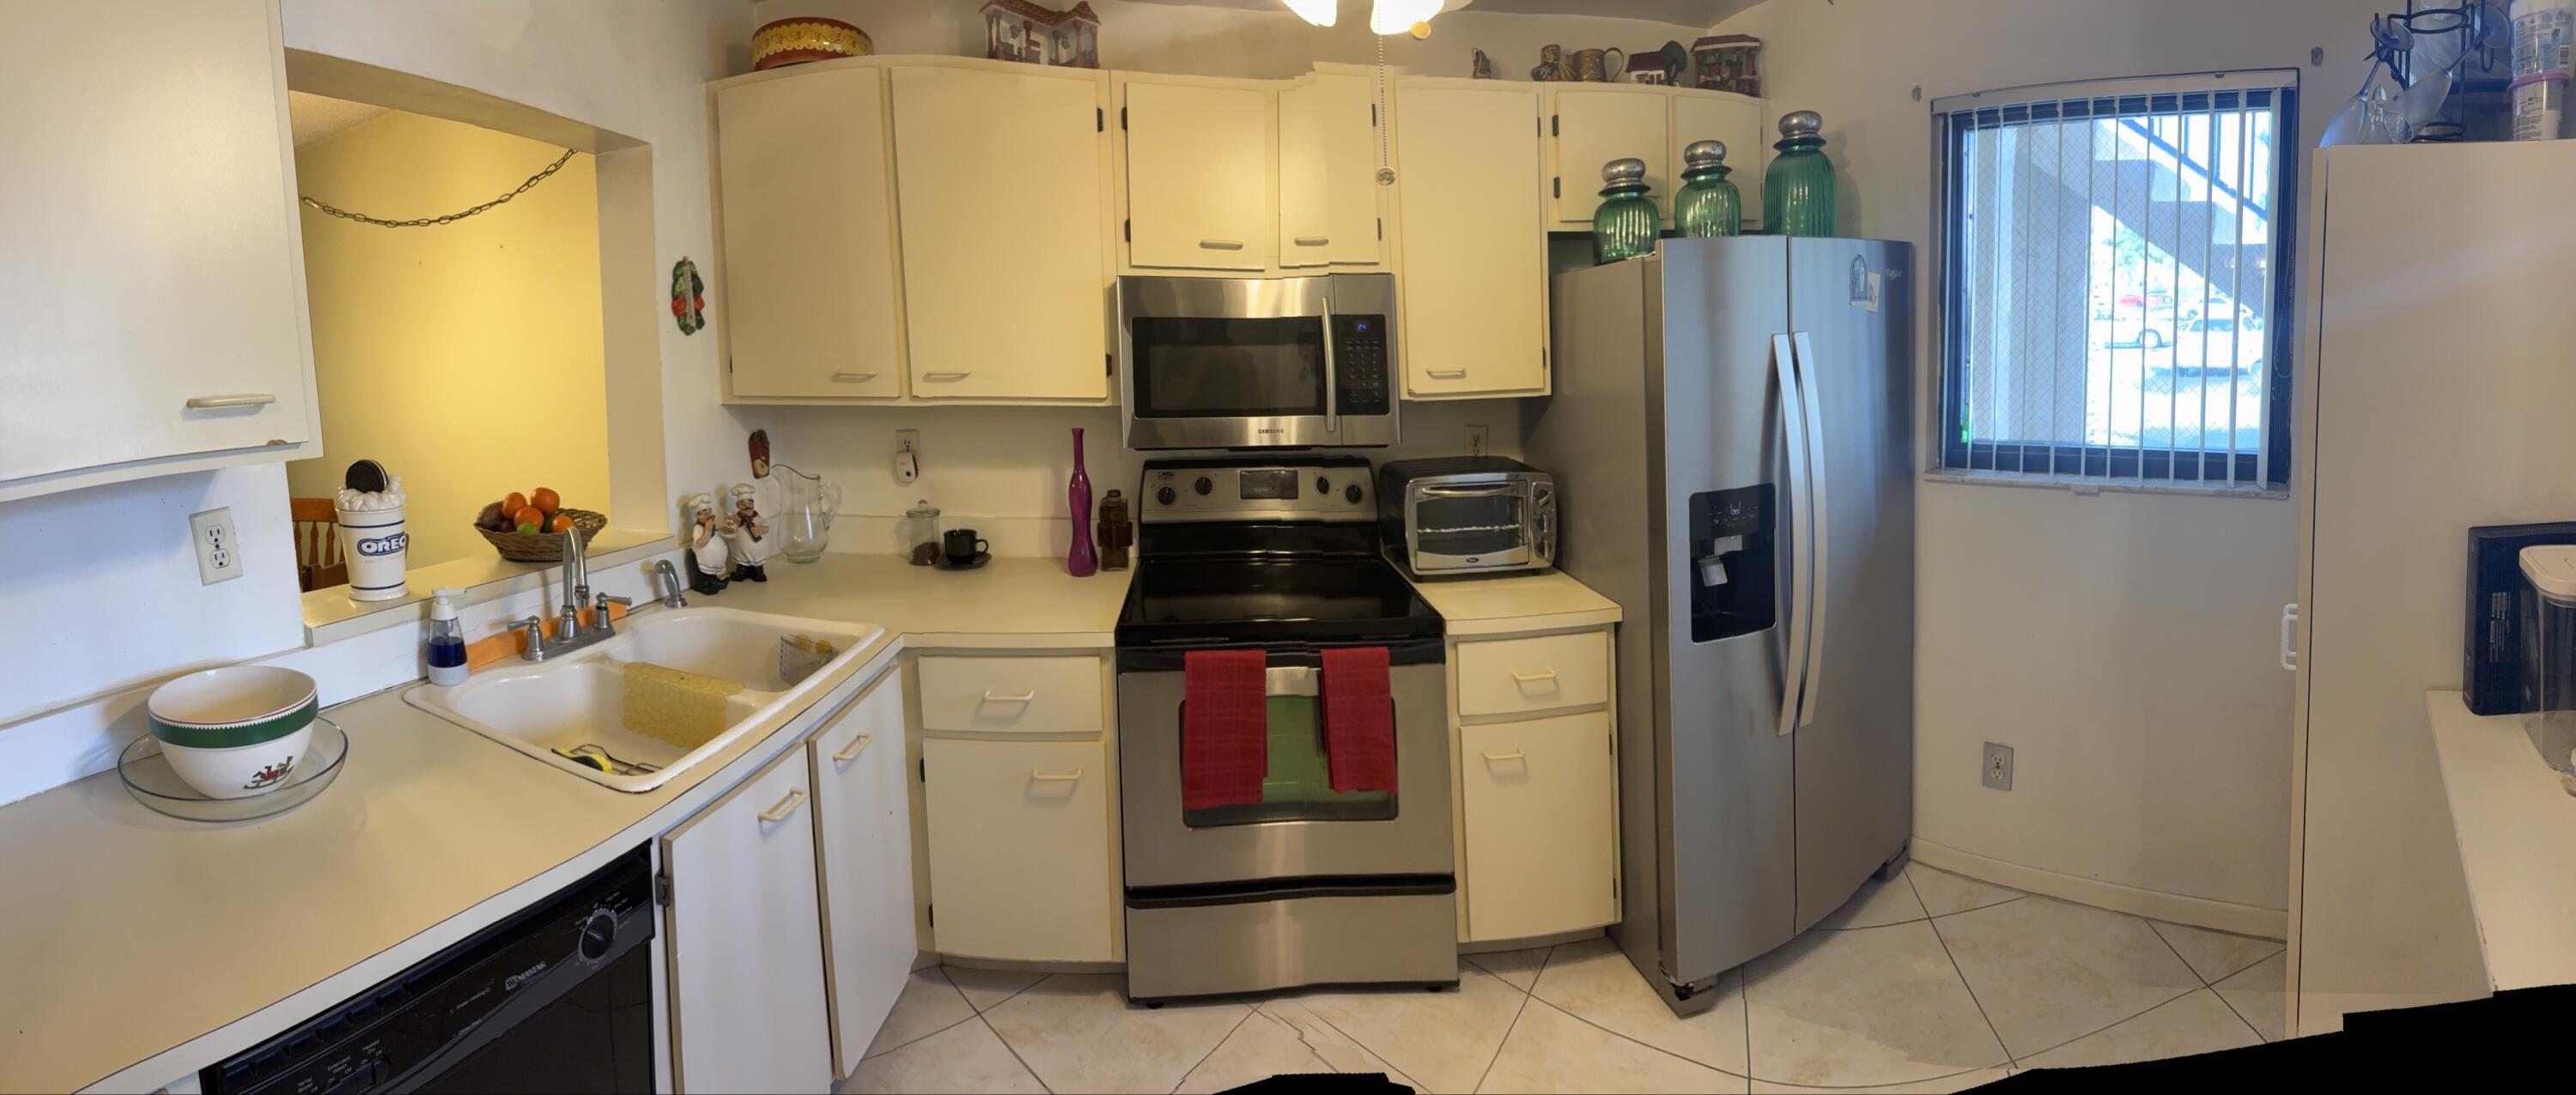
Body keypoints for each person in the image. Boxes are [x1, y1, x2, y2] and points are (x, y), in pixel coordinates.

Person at [683, 493, 731, 596]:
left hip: (712, 561)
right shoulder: (698, 528)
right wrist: (708, 530)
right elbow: (700, 543)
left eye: (710, 511)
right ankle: (707, 585)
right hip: (702, 559)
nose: (709, 514)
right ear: (698, 515)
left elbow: (719, 534)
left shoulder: (712, 525)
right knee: (705, 575)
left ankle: (716, 582)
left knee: (712, 574)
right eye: (705, 512)